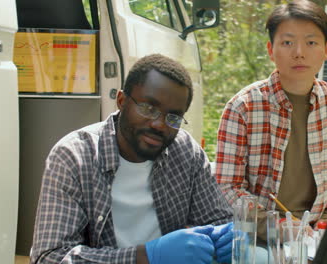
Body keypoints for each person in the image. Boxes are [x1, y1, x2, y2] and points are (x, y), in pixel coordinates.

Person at [30, 54, 233, 264]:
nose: (159, 125)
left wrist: (229, 238)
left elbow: (218, 221)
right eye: (148, 108)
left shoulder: (186, 152)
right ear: (121, 101)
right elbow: (49, 257)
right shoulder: (74, 156)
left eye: (173, 117)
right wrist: (146, 256)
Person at [215, 0, 327, 243]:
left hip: (319, 233)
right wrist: (277, 227)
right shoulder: (243, 107)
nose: (299, 52)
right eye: (287, 42)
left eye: (311, 42)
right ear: (270, 50)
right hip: (258, 236)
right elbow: (227, 187)